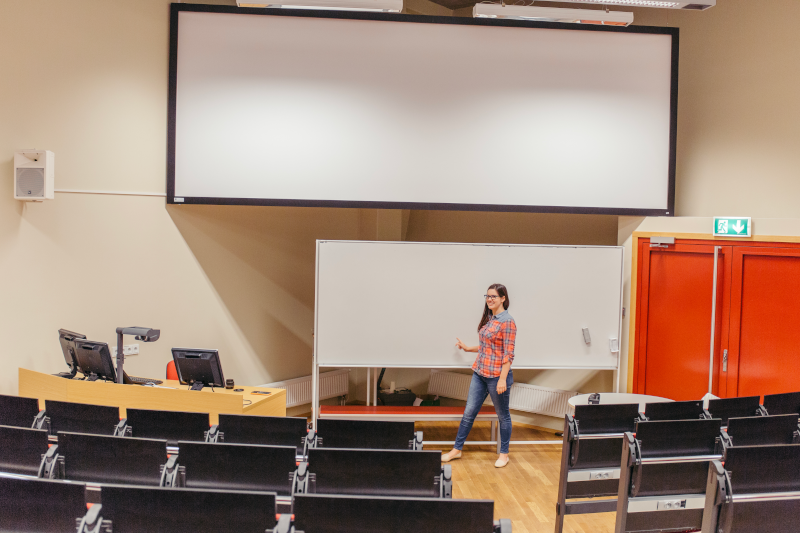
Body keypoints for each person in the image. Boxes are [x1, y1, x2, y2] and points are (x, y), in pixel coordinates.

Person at [442, 283, 516, 468]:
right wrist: (468, 348)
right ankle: (457, 450)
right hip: (480, 373)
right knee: (468, 413)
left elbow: (508, 354)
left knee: (503, 416)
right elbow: (488, 347)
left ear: (503, 298)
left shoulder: (507, 321)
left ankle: (504, 454)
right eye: (487, 296)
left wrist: (501, 379)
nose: (489, 299)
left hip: (497, 376)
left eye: (493, 296)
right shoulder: (491, 318)